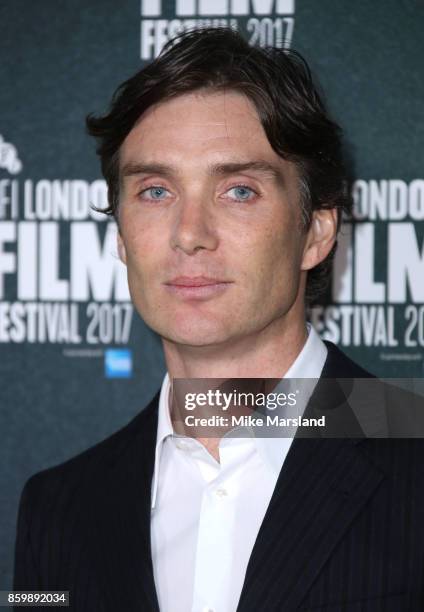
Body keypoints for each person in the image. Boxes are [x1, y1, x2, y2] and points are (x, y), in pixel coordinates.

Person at [13, 27, 424, 612]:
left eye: (238, 191)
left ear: (316, 232)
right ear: (122, 237)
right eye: (155, 191)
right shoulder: (56, 508)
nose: (189, 234)